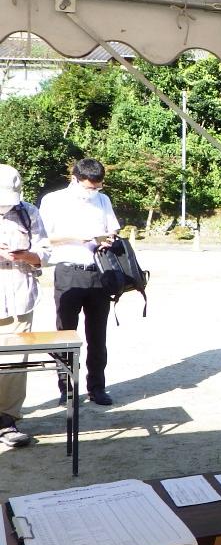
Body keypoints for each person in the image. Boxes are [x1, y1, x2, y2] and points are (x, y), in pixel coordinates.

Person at [39, 158, 121, 406]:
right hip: (68, 271)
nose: (93, 191)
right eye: (89, 187)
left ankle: (97, 387)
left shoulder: (102, 200)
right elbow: (44, 237)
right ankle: (67, 388)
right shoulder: (53, 201)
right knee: (65, 333)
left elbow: (113, 229)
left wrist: (107, 239)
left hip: (98, 272)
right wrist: (77, 237)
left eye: (98, 187)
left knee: (98, 335)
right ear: (74, 179)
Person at [0, 165, 49, 448]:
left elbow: (45, 251)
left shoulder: (28, 212)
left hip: (20, 299)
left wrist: (28, 256)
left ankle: (7, 420)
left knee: (15, 362)